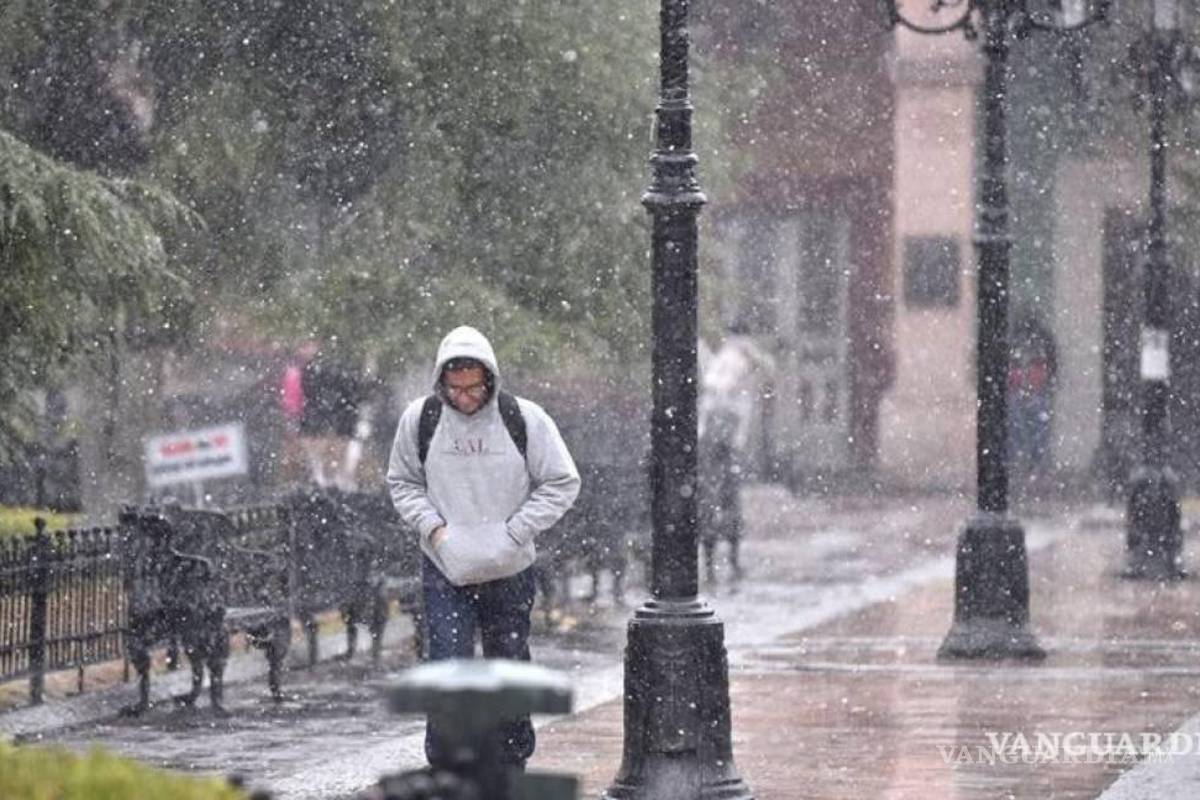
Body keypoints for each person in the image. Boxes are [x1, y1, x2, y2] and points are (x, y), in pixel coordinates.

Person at [386, 325, 581, 771]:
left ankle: (512, 762)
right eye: (455, 388)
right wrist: (434, 529)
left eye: (474, 387)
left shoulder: (523, 419)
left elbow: (562, 481)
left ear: (490, 379)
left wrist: (515, 531)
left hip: (510, 568)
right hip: (445, 566)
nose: (465, 397)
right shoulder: (422, 420)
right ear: (441, 382)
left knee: (508, 664)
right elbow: (402, 482)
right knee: (448, 666)